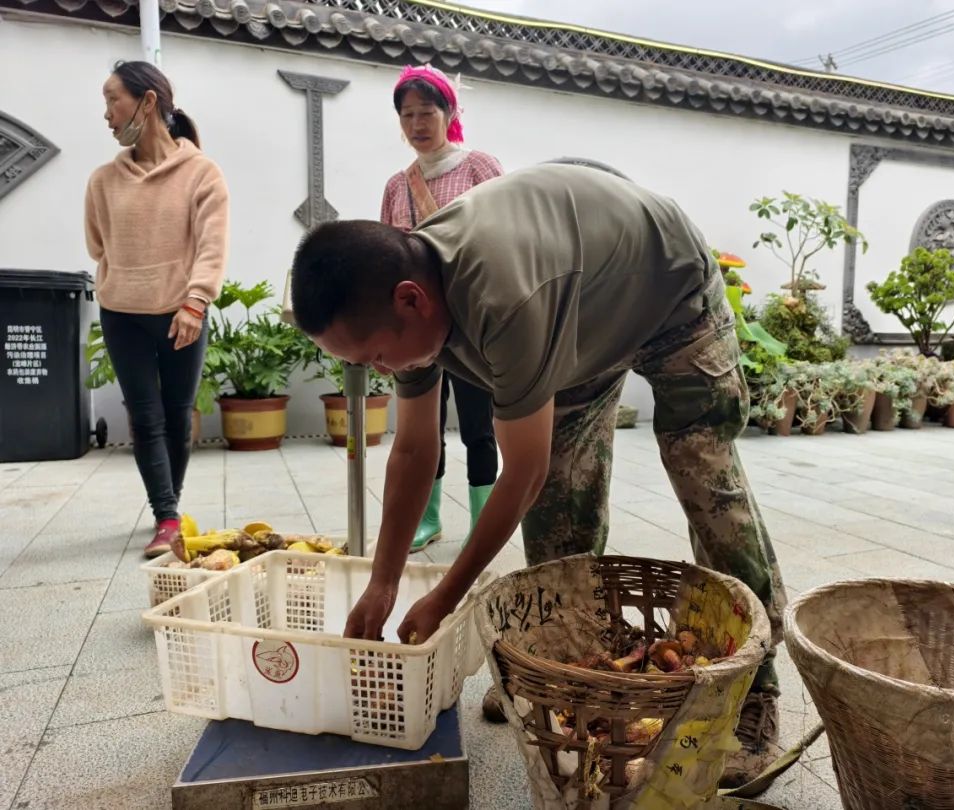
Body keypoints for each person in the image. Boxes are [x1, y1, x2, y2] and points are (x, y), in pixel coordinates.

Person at [289, 164, 787, 787]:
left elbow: (521, 468)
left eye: (377, 358)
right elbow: (415, 452)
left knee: (704, 479)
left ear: (411, 299)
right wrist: (382, 584)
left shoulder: (504, 292)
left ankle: (757, 695)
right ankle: (571, 670)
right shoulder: (404, 299)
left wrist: (448, 596)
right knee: (558, 511)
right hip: (581, 317)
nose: (382, 370)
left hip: (669, 294)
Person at [85, 61, 229, 557]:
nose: (106, 115)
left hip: (181, 313)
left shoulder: (202, 173)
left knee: (176, 413)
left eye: (113, 100)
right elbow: (98, 245)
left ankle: (169, 506)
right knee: (145, 418)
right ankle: (167, 516)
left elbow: (212, 245)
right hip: (121, 312)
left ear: (147, 103)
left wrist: (194, 300)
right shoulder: (103, 180)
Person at [380, 64, 503, 553]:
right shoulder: (397, 184)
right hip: (417, 328)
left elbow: (503, 236)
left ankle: (482, 522)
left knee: (477, 425)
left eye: (426, 111)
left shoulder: (479, 167)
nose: (417, 123)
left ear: (448, 112)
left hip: (471, 321)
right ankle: (426, 519)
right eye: (407, 114)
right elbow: (388, 252)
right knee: (422, 426)